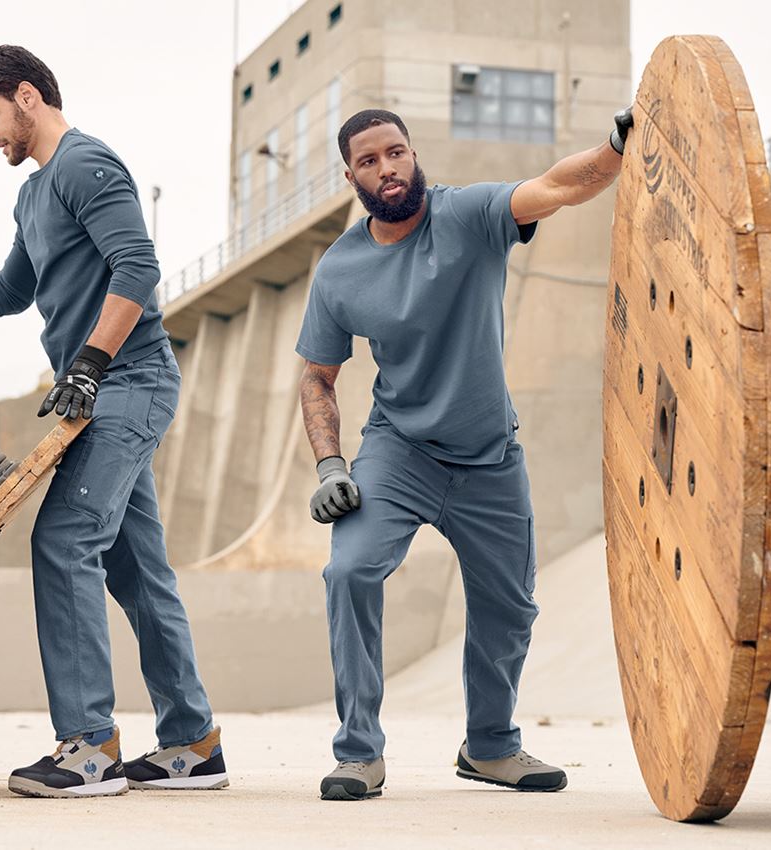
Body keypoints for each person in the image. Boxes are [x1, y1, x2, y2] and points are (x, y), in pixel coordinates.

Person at [0, 45, 226, 798]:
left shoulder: (84, 164)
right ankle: (194, 741)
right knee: (136, 572)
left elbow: (137, 268)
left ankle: (89, 748)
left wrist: (91, 365)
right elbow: (11, 287)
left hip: (127, 381)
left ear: (29, 97)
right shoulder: (34, 196)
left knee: (66, 540)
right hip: (99, 389)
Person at [297, 107, 633, 800]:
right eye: (369, 160)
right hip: (399, 452)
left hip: (489, 457)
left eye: (395, 152)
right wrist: (331, 464)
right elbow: (316, 377)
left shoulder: (472, 216)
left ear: (413, 155)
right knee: (350, 571)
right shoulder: (339, 271)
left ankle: (489, 747)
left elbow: (560, 186)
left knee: (510, 608)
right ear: (352, 176)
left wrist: (613, 147)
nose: (387, 168)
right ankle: (359, 753)